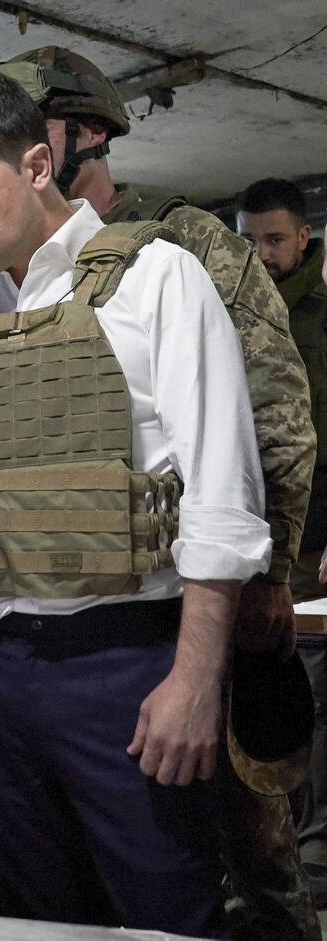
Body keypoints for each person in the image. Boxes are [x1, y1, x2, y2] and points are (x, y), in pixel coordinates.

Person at [0, 69, 272, 938]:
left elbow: (221, 499)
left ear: (33, 165)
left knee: (164, 907)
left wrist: (195, 678)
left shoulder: (158, 280)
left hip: (124, 663)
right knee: (29, 914)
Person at [0, 47, 318, 941]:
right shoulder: (6, 269)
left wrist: (271, 574)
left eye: (25, 124)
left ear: (85, 132)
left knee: (252, 843)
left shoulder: (186, 247)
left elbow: (277, 418)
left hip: (208, 589)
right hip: (85, 618)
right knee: (116, 859)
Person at [237, 176, 327, 895]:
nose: (261, 253)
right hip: (247, 546)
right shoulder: (225, 311)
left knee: (311, 702)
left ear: (304, 238)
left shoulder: (320, 321)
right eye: (249, 238)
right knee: (258, 705)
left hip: (310, 549)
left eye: (273, 238)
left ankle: (314, 853)